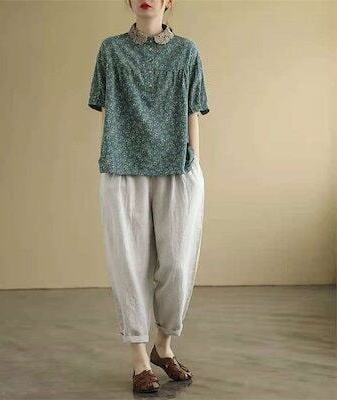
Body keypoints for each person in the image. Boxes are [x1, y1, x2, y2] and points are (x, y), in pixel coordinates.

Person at [88, 0, 210, 393]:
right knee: (129, 264)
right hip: (123, 168)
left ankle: (164, 346)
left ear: (169, 1)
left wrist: (193, 163)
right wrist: (109, 155)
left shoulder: (187, 51)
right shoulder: (111, 49)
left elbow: (193, 110)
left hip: (177, 166)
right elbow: (107, 110)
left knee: (177, 264)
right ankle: (140, 359)